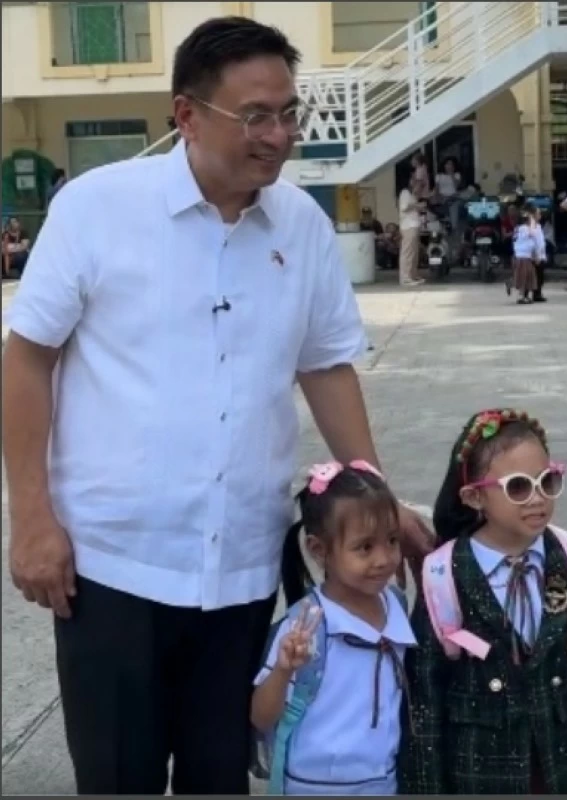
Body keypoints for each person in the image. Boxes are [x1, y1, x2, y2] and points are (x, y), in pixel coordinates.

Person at [0, 16, 433, 795]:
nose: (279, 135)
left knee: (219, 774)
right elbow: (27, 358)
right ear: (188, 116)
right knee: (119, 778)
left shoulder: (300, 226)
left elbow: (328, 368)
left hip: (239, 568)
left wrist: (375, 495)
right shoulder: (97, 208)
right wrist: (30, 517)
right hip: (109, 568)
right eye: (256, 116)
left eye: (290, 112)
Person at [405, 409, 567, 793]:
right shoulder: (444, 576)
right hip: (481, 776)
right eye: (518, 487)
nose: (538, 498)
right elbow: (424, 699)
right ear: (475, 496)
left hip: (564, 768)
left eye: (548, 481)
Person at [252, 461, 416, 795]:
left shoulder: (395, 604)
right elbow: (261, 717)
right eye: (365, 547)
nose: (384, 558)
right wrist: (283, 671)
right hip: (313, 788)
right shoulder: (307, 625)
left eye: (392, 540)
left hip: (383, 784)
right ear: (319, 550)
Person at [510, 202, 546, 305]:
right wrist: (538, 255)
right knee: (525, 277)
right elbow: (536, 242)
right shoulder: (527, 229)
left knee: (527, 277)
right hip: (525, 256)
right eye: (537, 214)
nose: (539, 216)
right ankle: (522, 296)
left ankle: (525, 295)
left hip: (522, 256)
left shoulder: (519, 228)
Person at [398, 173, 424, 287]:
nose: (415, 181)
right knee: (408, 252)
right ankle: (405, 277)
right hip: (408, 225)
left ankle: (413, 274)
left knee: (414, 252)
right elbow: (404, 207)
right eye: (413, 178)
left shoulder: (412, 194)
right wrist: (417, 206)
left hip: (414, 224)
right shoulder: (405, 193)